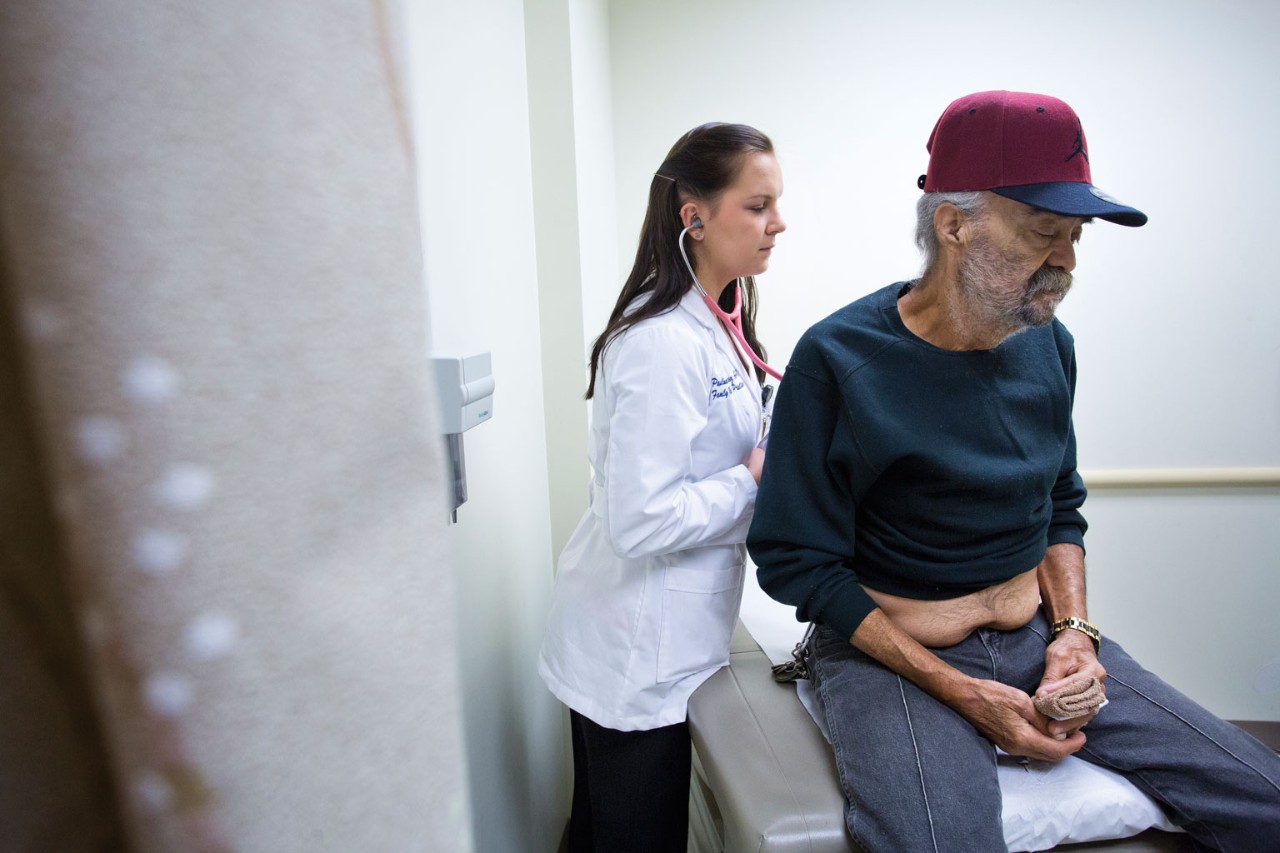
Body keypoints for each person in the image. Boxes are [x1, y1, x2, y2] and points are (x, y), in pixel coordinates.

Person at [748, 90, 1280, 852]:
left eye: (1074, 236)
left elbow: (1060, 502)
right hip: (895, 655)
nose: (1064, 258)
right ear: (953, 223)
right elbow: (795, 560)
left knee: (1265, 798)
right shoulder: (839, 361)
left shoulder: (1047, 344)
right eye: (1042, 231)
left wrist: (1072, 636)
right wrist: (965, 693)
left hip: (1038, 637)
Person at [538, 122, 786, 852]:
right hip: (634, 654)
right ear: (695, 217)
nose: (779, 222)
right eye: (758, 204)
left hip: (661, 640)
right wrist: (750, 481)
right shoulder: (658, 342)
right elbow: (640, 521)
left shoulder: (719, 323)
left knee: (602, 833)